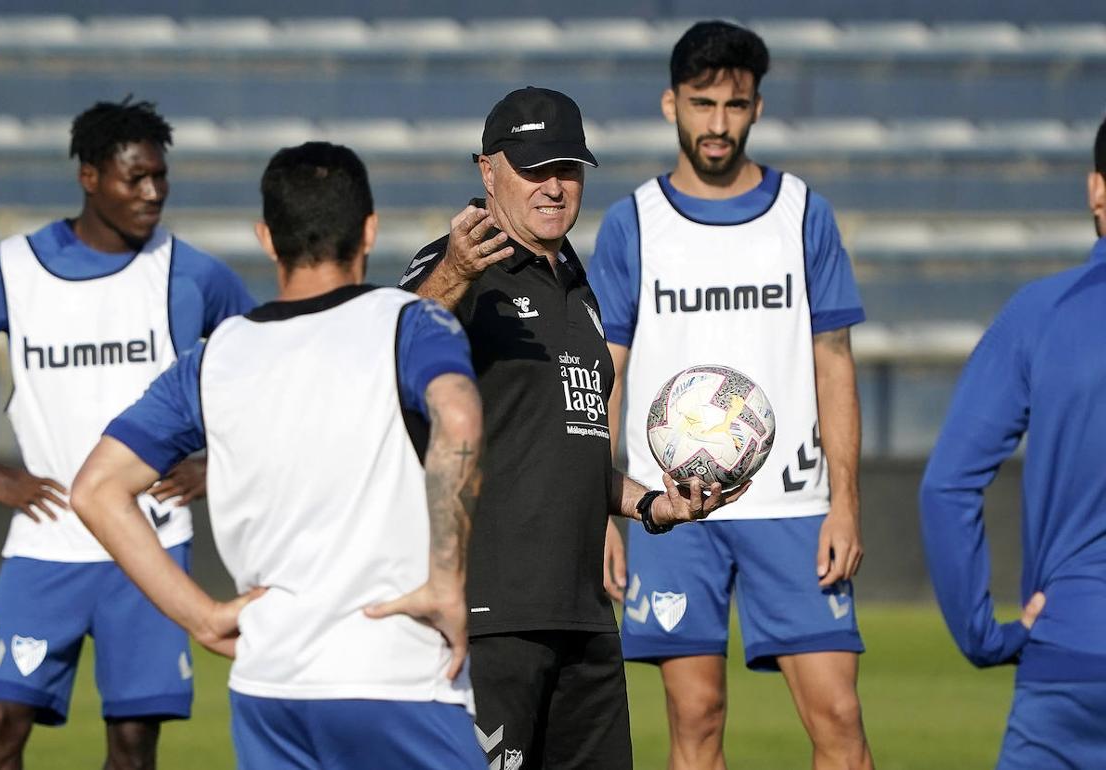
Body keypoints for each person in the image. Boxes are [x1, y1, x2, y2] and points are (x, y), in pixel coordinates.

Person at [71, 141, 488, 769]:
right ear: (369, 230)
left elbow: (95, 490)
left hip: (271, 690)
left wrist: (203, 616)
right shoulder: (410, 323)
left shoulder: (216, 356)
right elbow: (458, 415)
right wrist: (448, 583)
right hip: (396, 678)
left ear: (267, 238)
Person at [0, 98, 254, 770]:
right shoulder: (15, 268)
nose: (152, 192)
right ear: (90, 177)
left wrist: (219, 462)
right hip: (47, 540)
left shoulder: (193, 273)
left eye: (160, 177)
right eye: (134, 178)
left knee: (132, 743)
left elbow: (270, 363)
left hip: (150, 543)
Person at [398, 86, 746, 770]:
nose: (554, 187)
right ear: (487, 170)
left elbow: (565, 446)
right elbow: (387, 345)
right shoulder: (458, 268)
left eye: (567, 168)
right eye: (533, 169)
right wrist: (454, 274)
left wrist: (651, 504)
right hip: (490, 617)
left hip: (584, 616)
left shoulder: (579, 289)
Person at [587, 22, 874, 769]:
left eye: (734, 105)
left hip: (795, 507)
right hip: (673, 512)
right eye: (702, 102)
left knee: (840, 719)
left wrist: (845, 501)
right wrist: (606, 509)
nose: (717, 122)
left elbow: (834, 364)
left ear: (757, 108)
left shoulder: (802, 213)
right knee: (697, 719)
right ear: (670, 103)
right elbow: (604, 378)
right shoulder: (633, 223)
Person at [919, 118, 1106, 769]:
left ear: (1096, 191)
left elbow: (946, 486)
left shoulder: (1041, 312)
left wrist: (984, 635)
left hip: (1069, 652)